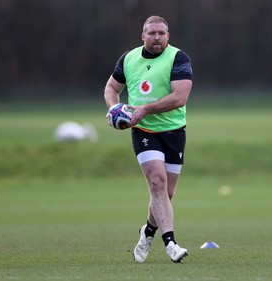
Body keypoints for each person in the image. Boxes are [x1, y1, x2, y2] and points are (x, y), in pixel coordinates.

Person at [103, 15, 192, 263]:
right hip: (143, 131)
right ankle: (171, 243)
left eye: (161, 33)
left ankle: (147, 232)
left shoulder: (178, 58)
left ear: (168, 36)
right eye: (151, 33)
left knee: (166, 194)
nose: (156, 37)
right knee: (156, 182)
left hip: (174, 131)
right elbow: (111, 88)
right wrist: (114, 109)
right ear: (143, 36)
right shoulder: (129, 59)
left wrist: (143, 109)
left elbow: (180, 98)